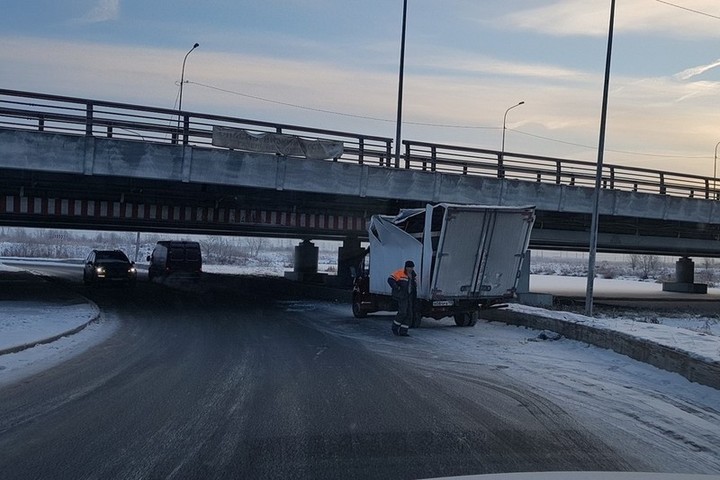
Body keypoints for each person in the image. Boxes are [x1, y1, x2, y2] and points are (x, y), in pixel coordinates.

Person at [387, 260, 417, 336]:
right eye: (409, 267)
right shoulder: (400, 273)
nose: (410, 269)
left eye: (412, 267)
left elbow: (414, 286)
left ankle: (403, 331)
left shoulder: (413, 275)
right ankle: (395, 327)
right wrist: (396, 287)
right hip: (402, 296)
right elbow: (390, 279)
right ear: (406, 267)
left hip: (409, 296)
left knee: (409, 314)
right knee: (402, 312)